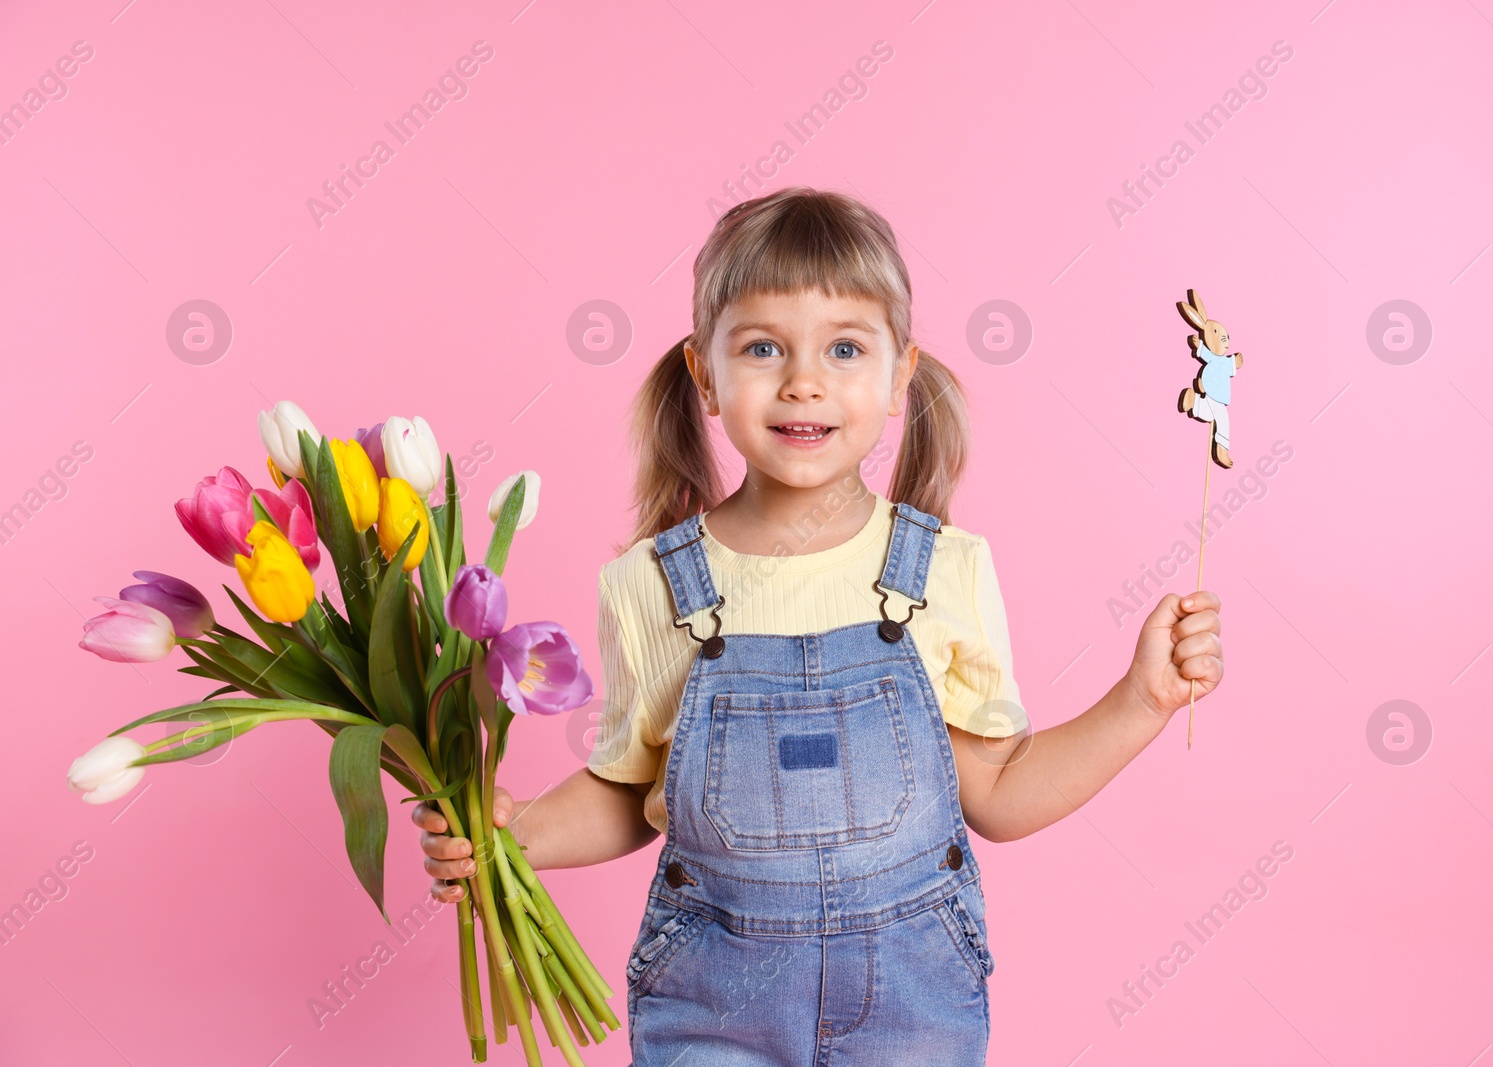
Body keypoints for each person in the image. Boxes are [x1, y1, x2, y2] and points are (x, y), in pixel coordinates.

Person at [413, 187, 1225, 1065]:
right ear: (705, 375)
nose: (804, 379)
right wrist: (511, 833)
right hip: (714, 1001)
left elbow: (998, 793)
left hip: (912, 1006)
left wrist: (1141, 700)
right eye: (763, 347)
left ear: (898, 375)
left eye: (844, 347)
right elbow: (628, 791)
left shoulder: (946, 569)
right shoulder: (649, 584)